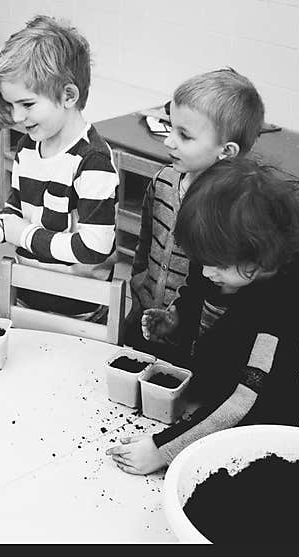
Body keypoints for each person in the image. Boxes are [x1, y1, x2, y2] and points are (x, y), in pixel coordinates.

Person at [107, 157, 299, 474]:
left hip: (258, 421)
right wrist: (177, 318)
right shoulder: (221, 261)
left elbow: (239, 404)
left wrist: (160, 450)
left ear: (260, 257)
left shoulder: (278, 310)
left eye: (217, 265)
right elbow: (197, 292)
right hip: (212, 396)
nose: (206, 272)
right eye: (201, 260)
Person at [0, 15, 119, 319]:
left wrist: (21, 235)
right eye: (11, 106)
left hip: (77, 310)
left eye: (27, 105)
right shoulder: (29, 146)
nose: (16, 117)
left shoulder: (93, 162)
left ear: (68, 95)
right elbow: (16, 210)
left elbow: (94, 249)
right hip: (28, 296)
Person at [126, 68, 264, 358]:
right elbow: (146, 239)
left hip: (191, 334)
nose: (168, 141)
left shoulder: (233, 208)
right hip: (144, 310)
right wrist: (138, 283)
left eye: (184, 135)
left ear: (226, 151)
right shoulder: (162, 181)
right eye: (170, 127)